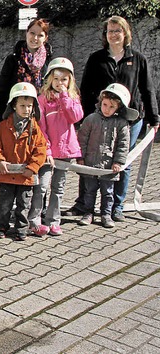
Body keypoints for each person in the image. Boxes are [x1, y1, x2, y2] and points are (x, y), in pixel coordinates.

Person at [67, 16, 160, 221]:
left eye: (118, 30)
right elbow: (86, 89)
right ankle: (84, 205)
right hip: (99, 119)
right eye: (110, 31)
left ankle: (115, 206)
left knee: (121, 162)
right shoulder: (96, 58)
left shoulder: (138, 59)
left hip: (129, 121)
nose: (113, 34)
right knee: (90, 160)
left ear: (126, 33)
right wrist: (80, 119)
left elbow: (147, 89)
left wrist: (154, 118)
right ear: (105, 35)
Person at [26, 58, 83, 237]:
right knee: (41, 187)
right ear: (49, 78)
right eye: (57, 78)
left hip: (65, 153)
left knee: (58, 188)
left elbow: (76, 117)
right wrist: (47, 151)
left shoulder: (73, 98)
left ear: (70, 81)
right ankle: (34, 221)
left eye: (64, 79)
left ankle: (53, 221)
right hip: (47, 153)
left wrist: (65, 97)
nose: (60, 83)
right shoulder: (42, 100)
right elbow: (41, 128)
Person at [0, 83, 47, 241]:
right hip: (6, 175)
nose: (26, 109)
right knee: (4, 205)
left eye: (29, 106)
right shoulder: (3, 126)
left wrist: (33, 167)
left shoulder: (35, 128)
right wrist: (0, 160)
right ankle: (1, 226)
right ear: (13, 106)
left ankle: (21, 228)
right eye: (22, 105)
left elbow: (41, 150)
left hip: (26, 177)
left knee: (24, 205)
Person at [77, 83, 135, 228]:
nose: (107, 109)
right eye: (105, 105)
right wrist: (81, 158)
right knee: (89, 191)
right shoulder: (91, 119)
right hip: (90, 163)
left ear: (119, 108)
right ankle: (88, 213)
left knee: (108, 192)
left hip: (109, 166)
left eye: (111, 107)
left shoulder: (122, 124)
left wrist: (118, 162)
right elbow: (82, 139)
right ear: (100, 102)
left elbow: (123, 145)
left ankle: (106, 214)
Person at [0, 18, 52, 116]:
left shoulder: (49, 62)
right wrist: (0, 114)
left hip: (38, 114)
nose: (35, 38)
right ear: (27, 33)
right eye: (32, 33)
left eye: (40, 35)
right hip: (14, 113)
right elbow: (2, 89)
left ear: (45, 38)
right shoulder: (13, 59)